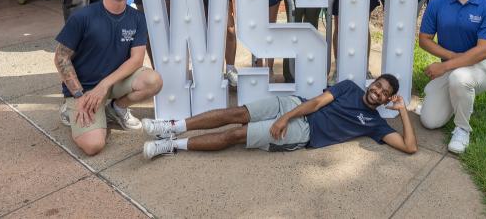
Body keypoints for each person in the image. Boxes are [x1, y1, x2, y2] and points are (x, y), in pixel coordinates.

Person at [141, 74, 417, 159]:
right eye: (377, 86)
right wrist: (285, 116)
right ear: (372, 84)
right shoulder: (349, 87)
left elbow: (409, 147)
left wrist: (403, 111)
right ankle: (172, 126)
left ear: (387, 99)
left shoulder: (375, 124)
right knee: (237, 113)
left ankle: (172, 145)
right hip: (296, 105)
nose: (377, 93)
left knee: (236, 135)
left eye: (384, 93)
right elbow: (317, 102)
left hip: (305, 134)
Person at [54, 0, 163, 156]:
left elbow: (137, 60)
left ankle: (116, 108)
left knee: (153, 80)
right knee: (93, 146)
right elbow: (61, 58)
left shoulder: (138, 18)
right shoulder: (83, 16)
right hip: (84, 89)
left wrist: (103, 86)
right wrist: (79, 95)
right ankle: (69, 108)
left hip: (113, 82)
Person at [418, 0, 486, 154]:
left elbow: (483, 51)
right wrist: (456, 59)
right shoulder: (438, 3)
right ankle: (446, 94)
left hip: (483, 66)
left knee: (460, 78)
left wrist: (444, 66)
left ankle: (462, 129)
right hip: (454, 65)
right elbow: (424, 40)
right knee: (430, 121)